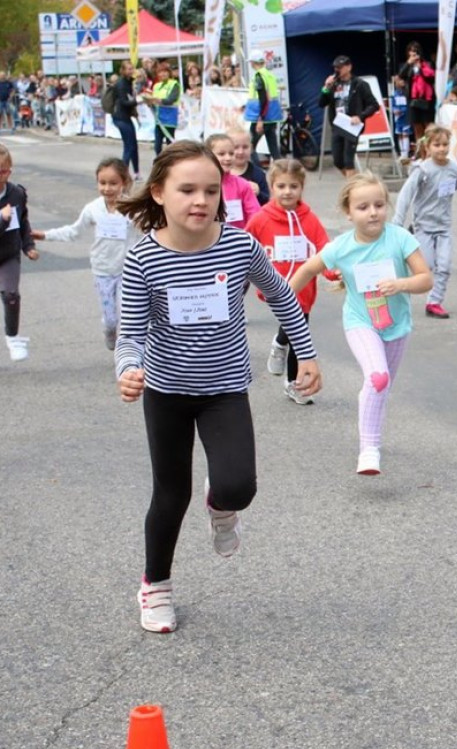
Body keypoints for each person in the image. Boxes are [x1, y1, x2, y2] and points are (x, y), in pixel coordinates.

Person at [115, 141, 321, 633]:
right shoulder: (143, 258)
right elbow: (131, 333)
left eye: (210, 190)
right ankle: (156, 586)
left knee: (237, 485)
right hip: (166, 391)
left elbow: (280, 293)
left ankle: (222, 508)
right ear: (160, 193)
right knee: (170, 494)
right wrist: (128, 369)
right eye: (186, 189)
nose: (200, 200)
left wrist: (306, 352)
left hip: (225, 388)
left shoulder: (238, 244)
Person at [288, 173, 432, 475]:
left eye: (379, 205)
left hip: (396, 326)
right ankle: (369, 450)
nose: (373, 212)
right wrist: (284, 298)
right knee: (378, 378)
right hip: (360, 322)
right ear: (348, 212)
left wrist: (401, 284)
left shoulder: (400, 238)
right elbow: (308, 269)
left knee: (381, 386)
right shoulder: (340, 247)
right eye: (363, 207)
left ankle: (371, 434)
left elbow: (425, 279)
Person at [245, 159, 332, 404]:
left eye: (293, 186)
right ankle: (295, 382)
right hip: (274, 287)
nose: (287, 192)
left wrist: (332, 271)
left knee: (296, 329)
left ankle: (280, 342)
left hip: (304, 288)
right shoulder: (262, 218)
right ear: (271, 187)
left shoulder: (309, 219)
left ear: (301, 187)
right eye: (281, 186)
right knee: (299, 330)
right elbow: (245, 246)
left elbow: (323, 247)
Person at [31, 159, 139, 350]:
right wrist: (45, 235)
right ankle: (110, 333)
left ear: (125, 182)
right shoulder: (93, 209)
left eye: (113, 183)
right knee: (111, 320)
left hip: (128, 270)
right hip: (103, 270)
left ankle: (130, 351)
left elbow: (151, 231)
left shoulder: (132, 209)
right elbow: (74, 231)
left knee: (130, 317)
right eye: (102, 183)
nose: (107, 188)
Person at [391, 125, 457, 319]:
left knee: (445, 265)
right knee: (427, 265)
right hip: (423, 226)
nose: (441, 149)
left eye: (445, 144)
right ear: (428, 146)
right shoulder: (423, 170)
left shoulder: (456, 170)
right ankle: (409, 240)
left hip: (444, 227)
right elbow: (405, 195)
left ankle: (434, 302)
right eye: (437, 145)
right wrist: (397, 223)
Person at [0, 143, 38, 361]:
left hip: (8, 254)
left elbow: (23, 223)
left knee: (11, 294)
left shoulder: (16, 194)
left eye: (4, 170)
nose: (0, 175)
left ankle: (13, 337)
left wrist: (29, 246)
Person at [319, 55, 379, 178]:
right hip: (338, 125)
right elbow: (321, 103)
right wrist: (326, 87)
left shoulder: (359, 84)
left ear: (349, 67)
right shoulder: (334, 84)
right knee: (337, 161)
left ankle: (352, 189)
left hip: (352, 126)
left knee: (348, 160)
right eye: (336, 68)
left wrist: (360, 116)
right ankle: (357, 182)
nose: (337, 70)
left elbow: (373, 105)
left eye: (340, 67)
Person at [206, 134, 260, 228]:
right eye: (221, 154)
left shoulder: (243, 185)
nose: (228, 158)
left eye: (231, 153)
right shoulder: (201, 185)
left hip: (238, 238)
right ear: (208, 156)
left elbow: (255, 215)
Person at [244, 49, 284, 164]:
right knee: (273, 147)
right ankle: (281, 169)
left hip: (262, 116)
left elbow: (263, 98)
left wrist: (260, 119)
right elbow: (266, 97)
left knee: (250, 146)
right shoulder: (269, 75)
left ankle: (256, 173)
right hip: (271, 115)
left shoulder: (259, 76)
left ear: (253, 62)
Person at [397, 43, 436, 150]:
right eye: (411, 50)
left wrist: (421, 68)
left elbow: (432, 78)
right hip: (413, 100)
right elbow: (401, 75)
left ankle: (430, 150)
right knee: (417, 127)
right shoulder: (406, 65)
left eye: (416, 50)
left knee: (428, 127)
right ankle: (420, 152)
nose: (413, 53)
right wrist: (409, 63)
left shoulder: (427, 64)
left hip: (427, 99)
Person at [142, 63, 180, 156]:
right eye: (160, 72)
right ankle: (159, 162)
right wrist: (148, 101)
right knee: (157, 145)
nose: (162, 74)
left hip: (170, 118)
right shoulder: (156, 86)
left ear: (169, 73)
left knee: (170, 144)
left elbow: (171, 100)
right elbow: (153, 100)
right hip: (159, 118)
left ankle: (170, 162)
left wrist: (155, 100)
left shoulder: (174, 84)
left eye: (165, 72)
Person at [111, 61, 141, 180]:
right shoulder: (121, 83)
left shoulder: (128, 82)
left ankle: (136, 172)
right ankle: (123, 174)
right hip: (121, 117)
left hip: (125, 117)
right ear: (122, 70)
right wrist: (137, 100)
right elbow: (124, 102)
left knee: (133, 144)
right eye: (128, 69)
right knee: (129, 145)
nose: (131, 71)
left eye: (131, 68)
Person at [228, 128, 270, 205]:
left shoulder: (258, 174)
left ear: (251, 148)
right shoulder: (220, 173)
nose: (241, 152)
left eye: (245, 147)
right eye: (236, 147)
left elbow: (268, 201)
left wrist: (258, 193)